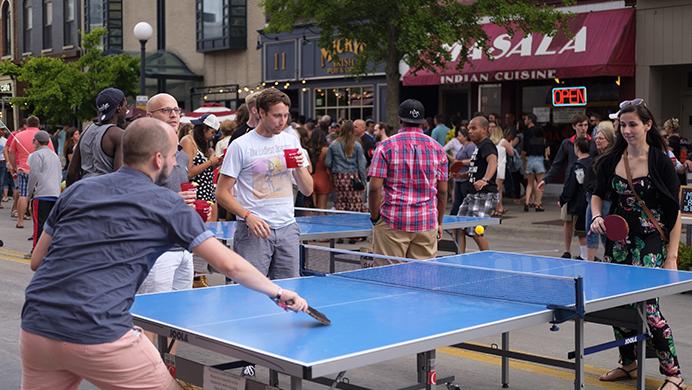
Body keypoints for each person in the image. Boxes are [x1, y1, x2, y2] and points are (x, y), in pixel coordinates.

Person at [20, 117, 308, 390]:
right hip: (99, 329)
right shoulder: (167, 204)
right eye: (174, 156)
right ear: (158, 159)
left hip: (37, 326)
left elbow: (37, 261)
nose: (176, 161)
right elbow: (228, 264)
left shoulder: (77, 191)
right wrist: (278, 291)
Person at [590, 99, 685, 390]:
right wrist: (596, 216)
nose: (628, 130)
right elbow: (597, 194)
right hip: (619, 242)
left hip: (650, 241)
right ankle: (628, 362)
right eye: (623, 125)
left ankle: (674, 373)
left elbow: (674, 212)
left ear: (647, 125)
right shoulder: (610, 160)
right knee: (618, 303)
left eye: (633, 124)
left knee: (648, 307)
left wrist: (671, 256)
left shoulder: (660, 162)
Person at [216, 88, 313, 280]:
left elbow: (308, 190)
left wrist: (299, 168)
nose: (282, 121)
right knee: (250, 293)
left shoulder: (290, 140)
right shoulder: (240, 145)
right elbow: (222, 192)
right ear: (261, 113)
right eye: (277, 115)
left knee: (289, 292)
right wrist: (247, 216)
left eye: (285, 115)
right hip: (254, 230)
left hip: (287, 227)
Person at [368, 99, 448, 261]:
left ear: (399, 119)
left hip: (392, 220)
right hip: (426, 221)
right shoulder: (438, 149)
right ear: (423, 122)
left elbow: (375, 188)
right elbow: (443, 191)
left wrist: (375, 217)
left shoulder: (385, 147)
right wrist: (439, 221)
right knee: (423, 280)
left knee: (389, 278)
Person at [538, 113, 593, 258]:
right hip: (571, 186)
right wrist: (546, 179)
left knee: (587, 222)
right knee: (568, 220)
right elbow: (557, 164)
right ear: (574, 126)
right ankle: (567, 250)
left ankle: (589, 253)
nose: (584, 128)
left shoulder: (592, 142)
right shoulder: (567, 143)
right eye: (580, 125)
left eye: (586, 125)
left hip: (587, 188)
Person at [66, 88, 127, 186]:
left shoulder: (86, 131)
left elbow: (72, 173)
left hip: (83, 192)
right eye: (125, 106)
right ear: (119, 107)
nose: (126, 110)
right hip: (105, 194)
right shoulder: (119, 135)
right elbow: (118, 177)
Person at [457, 116, 498, 252]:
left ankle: (487, 261)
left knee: (476, 231)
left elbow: (493, 161)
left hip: (485, 194)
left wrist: (485, 180)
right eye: (469, 128)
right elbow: (477, 168)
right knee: (458, 228)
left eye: (474, 128)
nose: (470, 131)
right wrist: (462, 175)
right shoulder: (478, 147)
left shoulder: (487, 144)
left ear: (485, 129)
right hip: (472, 194)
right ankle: (459, 259)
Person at [7, 116, 54, 229]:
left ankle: (20, 220)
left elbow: (11, 152)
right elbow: (51, 152)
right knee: (37, 196)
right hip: (40, 170)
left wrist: (14, 166)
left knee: (23, 194)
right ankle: (36, 220)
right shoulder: (44, 136)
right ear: (38, 124)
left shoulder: (18, 135)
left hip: (23, 169)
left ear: (26, 124)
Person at [181, 113, 222, 221]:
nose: (213, 136)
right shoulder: (188, 141)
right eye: (212, 132)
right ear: (204, 129)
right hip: (198, 196)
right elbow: (189, 172)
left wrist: (214, 164)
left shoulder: (201, 144)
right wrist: (209, 162)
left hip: (208, 193)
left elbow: (202, 172)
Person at [584, 121, 616, 260]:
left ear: (609, 140)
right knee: (590, 230)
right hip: (592, 198)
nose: (597, 140)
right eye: (596, 137)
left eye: (601, 138)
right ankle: (590, 262)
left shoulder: (612, 158)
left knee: (604, 233)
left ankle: (607, 260)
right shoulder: (595, 156)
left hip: (606, 200)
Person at [558, 136, 592, 260]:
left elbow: (571, 186)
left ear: (577, 148)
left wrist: (562, 199)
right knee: (589, 229)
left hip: (580, 202)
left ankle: (584, 255)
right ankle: (588, 254)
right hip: (593, 200)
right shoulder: (593, 162)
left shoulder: (577, 166)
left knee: (581, 230)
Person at [27, 130, 61, 250]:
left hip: (42, 194)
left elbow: (33, 175)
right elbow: (59, 175)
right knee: (51, 225)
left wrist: (29, 194)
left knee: (39, 225)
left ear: (36, 141)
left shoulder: (36, 155)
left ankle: (36, 250)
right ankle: (50, 249)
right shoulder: (54, 155)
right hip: (55, 194)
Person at [326, 120, 367, 212]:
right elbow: (361, 165)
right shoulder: (356, 145)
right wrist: (363, 181)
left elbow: (328, 162)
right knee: (354, 203)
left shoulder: (333, 144)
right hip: (353, 178)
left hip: (339, 177)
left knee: (340, 202)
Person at [522, 113, 546, 212]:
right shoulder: (542, 141)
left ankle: (527, 202)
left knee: (529, 184)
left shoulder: (527, 135)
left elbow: (524, 150)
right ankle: (538, 204)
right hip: (539, 160)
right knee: (540, 183)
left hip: (530, 160)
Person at [489, 120, 513, 217]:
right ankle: (498, 208)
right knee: (498, 188)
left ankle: (498, 207)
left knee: (495, 188)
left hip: (491, 167)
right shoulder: (503, 141)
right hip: (501, 167)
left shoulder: (490, 142)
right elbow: (511, 152)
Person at [450, 127, 476, 216]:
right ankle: (454, 217)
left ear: (465, 137)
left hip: (465, 178)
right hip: (459, 177)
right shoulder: (463, 147)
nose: (458, 138)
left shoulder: (470, 146)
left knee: (464, 199)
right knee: (458, 200)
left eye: (460, 136)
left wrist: (461, 163)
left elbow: (473, 160)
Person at [308, 127, 332, 210]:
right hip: (323, 178)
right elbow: (329, 164)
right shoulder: (326, 150)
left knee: (312, 209)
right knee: (322, 208)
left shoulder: (308, 150)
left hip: (311, 179)